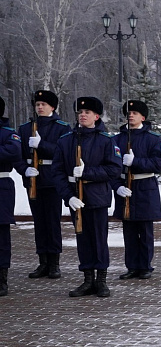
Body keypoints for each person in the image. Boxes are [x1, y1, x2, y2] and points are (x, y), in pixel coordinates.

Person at [51, 97, 123, 298]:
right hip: (76, 197)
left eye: (87, 112)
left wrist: (88, 172)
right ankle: (87, 279)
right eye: (80, 112)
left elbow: (114, 169)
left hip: (97, 197)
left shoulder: (107, 141)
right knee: (83, 239)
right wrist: (68, 197)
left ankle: (101, 280)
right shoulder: (65, 141)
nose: (82, 115)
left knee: (99, 239)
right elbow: (56, 172)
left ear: (96, 116)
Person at [13, 90, 72, 280]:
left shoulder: (62, 128)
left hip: (52, 180)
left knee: (52, 222)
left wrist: (42, 144)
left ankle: (54, 263)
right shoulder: (25, 128)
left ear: (52, 107)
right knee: (39, 223)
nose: (40, 107)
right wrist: (24, 170)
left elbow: (64, 153)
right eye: (37, 104)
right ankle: (42, 262)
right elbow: (18, 155)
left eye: (43, 104)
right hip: (33, 180)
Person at [112, 100, 161, 279]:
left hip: (144, 188)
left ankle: (145, 266)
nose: (130, 115)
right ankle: (132, 266)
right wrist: (117, 186)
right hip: (125, 186)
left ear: (143, 117)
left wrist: (135, 162)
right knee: (129, 231)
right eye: (128, 113)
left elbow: (158, 164)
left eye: (134, 113)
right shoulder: (116, 139)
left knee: (144, 230)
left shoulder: (153, 139)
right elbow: (109, 166)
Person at [0, 97, 23, 296]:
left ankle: (2, 277)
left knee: (1, 235)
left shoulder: (8, 134)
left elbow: (13, 152)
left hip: (1, 185)